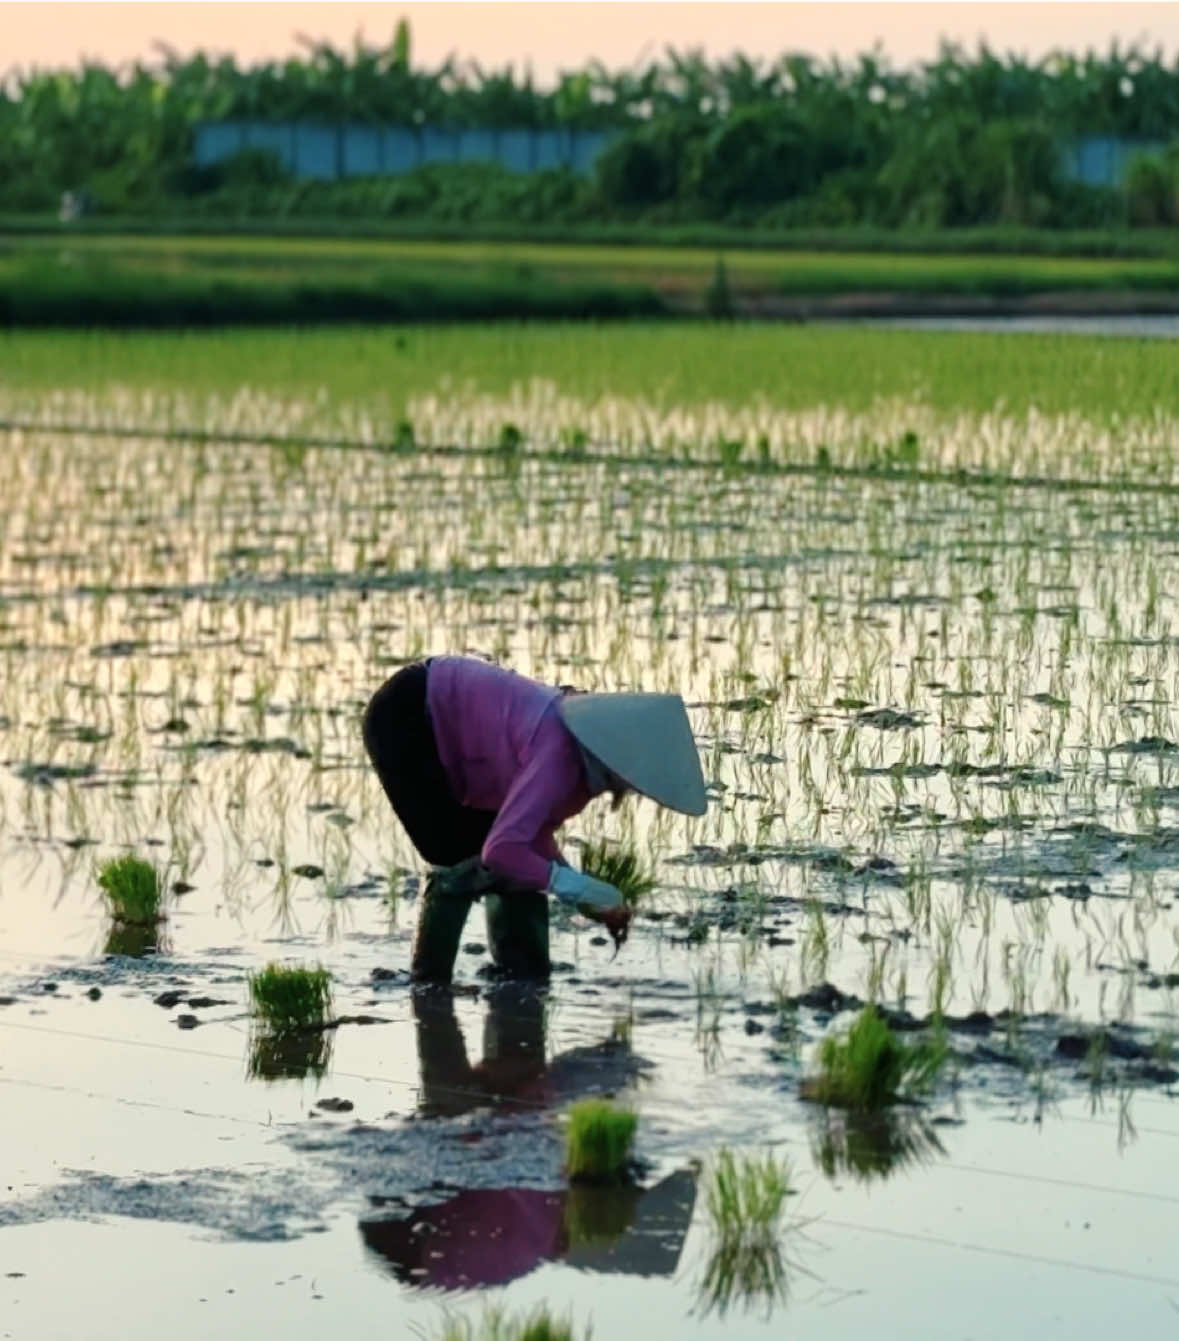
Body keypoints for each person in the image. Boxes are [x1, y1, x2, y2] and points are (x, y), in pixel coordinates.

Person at [362, 654, 707, 981]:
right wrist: (578, 886)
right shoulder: (560, 753)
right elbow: (501, 851)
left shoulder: (579, 769)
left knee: (519, 868)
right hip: (407, 717)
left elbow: (530, 838)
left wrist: (587, 897)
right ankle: (430, 986)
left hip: (452, 733)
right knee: (455, 858)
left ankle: (521, 977)